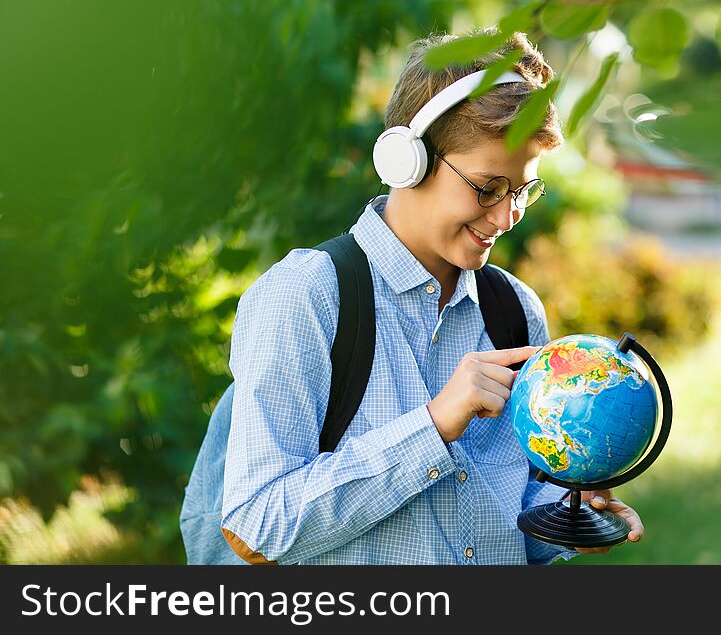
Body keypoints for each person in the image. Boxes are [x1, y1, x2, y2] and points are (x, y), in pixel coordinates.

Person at [219, 29, 644, 565]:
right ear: (407, 160)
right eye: (488, 187)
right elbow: (256, 527)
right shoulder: (308, 297)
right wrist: (435, 426)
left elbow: (508, 513)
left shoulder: (514, 310)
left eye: (522, 191)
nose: (506, 217)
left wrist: (568, 517)